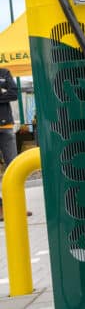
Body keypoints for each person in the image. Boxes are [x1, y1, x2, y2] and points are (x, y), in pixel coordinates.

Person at [0, 67, 19, 221]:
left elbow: (14, 93)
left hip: (6, 127)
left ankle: (17, 206)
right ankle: (1, 209)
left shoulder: (4, 73)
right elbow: (8, 94)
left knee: (13, 167)